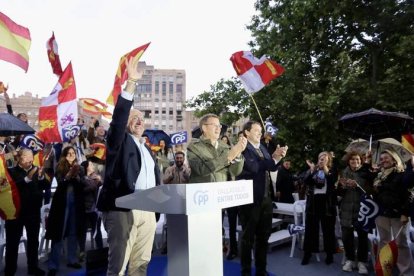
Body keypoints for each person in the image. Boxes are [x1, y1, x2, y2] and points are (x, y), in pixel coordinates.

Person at [96, 57, 161, 276]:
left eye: (142, 119)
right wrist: (131, 84)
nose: (139, 121)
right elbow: (118, 119)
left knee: (141, 263)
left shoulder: (148, 148)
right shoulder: (119, 141)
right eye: (134, 118)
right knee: (119, 265)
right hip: (122, 209)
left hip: (148, 210)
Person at [236, 121, 288, 276]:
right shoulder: (243, 148)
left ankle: (261, 270)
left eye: (260, 130)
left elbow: (271, 166)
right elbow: (254, 168)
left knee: (263, 237)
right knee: (248, 238)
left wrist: (277, 157)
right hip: (249, 200)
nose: (260, 133)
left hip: (266, 200)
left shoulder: (263, 148)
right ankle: (245, 272)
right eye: (257, 130)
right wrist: (272, 159)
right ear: (246, 132)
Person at [4, 149, 49, 276]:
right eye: (27, 157)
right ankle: (10, 269)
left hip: (33, 212)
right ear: (19, 158)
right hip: (16, 213)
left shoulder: (36, 170)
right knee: (12, 242)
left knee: (33, 241)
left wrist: (40, 177)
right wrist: (27, 179)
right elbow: (10, 189)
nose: (30, 160)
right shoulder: (11, 171)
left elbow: (45, 186)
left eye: (31, 157)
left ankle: (33, 267)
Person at [373, 150, 414, 275]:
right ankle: (384, 269)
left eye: (386, 158)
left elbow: (410, 194)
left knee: (401, 243)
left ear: (394, 160)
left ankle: (406, 272)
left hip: (398, 215)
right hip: (382, 214)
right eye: (381, 158)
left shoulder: (401, 174)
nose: (383, 160)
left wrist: (405, 213)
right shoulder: (379, 176)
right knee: (383, 242)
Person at [46, 146, 85, 276]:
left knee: (73, 232)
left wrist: (78, 177)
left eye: (73, 153)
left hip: (76, 203)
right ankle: (53, 265)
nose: (71, 155)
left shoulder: (80, 168)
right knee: (59, 233)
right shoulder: (60, 167)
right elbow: (60, 183)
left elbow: (83, 184)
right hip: (62, 204)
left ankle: (72, 259)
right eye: (68, 153)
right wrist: (68, 176)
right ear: (64, 155)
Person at [337, 151, 373, 274]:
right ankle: (350, 260)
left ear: (361, 161)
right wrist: (341, 186)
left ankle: (362, 262)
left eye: (357, 159)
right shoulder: (343, 173)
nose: (355, 161)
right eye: (352, 159)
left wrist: (357, 186)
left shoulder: (365, 173)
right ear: (348, 161)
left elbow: (370, 192)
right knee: (347, 236)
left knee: (362, 236)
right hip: (346, 209)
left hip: (362, 209)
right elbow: (339, 194)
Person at [187, 113, 247, 183]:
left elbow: (234, 172)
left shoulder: (225, 147)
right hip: (203, 192)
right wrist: (227, 158)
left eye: (219, 126)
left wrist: (238, 153)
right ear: (204, 128)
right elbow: (201, 169)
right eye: (214, 125)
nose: (218, 128)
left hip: (222, 191)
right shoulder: (193, 147)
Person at [301, 151, 338, 266]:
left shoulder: (333, 170)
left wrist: (325, 168)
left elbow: (332, 182)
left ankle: (329, 255)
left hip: (327, 204)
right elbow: (306, 181)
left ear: (328, 160)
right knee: (310, 230)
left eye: (324, 158)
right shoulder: (314, 170)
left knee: (328, 231)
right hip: (313, 203)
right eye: (319, 157)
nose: (321, 159)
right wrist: (312, 170)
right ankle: (307, 254)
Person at [79, 160, 104, 259]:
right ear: (86, 167)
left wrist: (99, 181)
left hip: (95, 209)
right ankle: (81, 251)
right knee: (83, 231)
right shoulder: (82, 178)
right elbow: (86, 189)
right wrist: (96, 181)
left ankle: (100, 250)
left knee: (97, 230)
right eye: (91, 164)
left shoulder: (95, 177)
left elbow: (102, 186)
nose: (93, 166)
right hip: (85, 209)